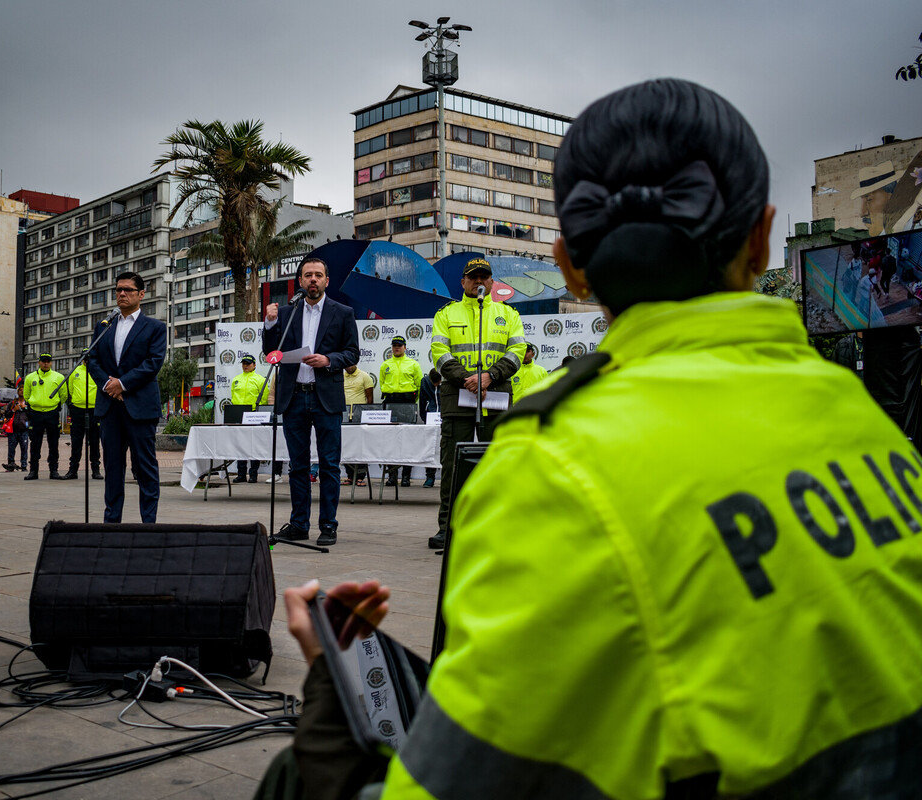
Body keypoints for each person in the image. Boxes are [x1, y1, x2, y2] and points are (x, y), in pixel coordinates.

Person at [272, 77, 922, 800]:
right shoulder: (871, 423)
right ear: (763, 235)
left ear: (572, 266)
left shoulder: (550, 467)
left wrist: (334, 712)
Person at [428, 258, 525, 549]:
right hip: (458, 397)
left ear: (492, 283)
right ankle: (448, 528)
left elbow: (517, 350)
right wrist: (468, 379)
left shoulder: (508, 314)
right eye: (473, 278)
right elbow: (439, 352)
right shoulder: (446, 313)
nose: (478, 282)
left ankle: (496, 526)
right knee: (453, 465)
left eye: (484, 277)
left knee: (496, 464)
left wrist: (490, 376)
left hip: (494, 396)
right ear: (463, 283)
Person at [262, 257, 359, 547]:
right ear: (300, 281)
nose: (313, 280)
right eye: (308, 275)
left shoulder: (342, 312)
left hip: (325, 397)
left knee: (329, 465)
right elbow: (271, 353)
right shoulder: (288, 313)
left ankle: (328, 525)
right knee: (298, 466)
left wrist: (328, 360)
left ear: (327, 281)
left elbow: (352, 353)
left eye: (318, 275)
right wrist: (269, 324)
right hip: (294, 397)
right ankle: (299, 524)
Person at [87, 272, 166, 523]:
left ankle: (149, 522)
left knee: (145, 467)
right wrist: (109, 386)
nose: (122, 294)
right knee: (113, 468)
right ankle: (111, 522)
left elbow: (153, 363)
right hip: (110, 407)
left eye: (128, 290)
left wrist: (123, 384)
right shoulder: (104, 326)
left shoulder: (155, 327)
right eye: (119, 289)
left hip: (140, 407)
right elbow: (92, 359)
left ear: (141, 294)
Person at [379, 336, 423, 487]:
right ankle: (392, 476)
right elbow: (382, 383)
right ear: (391, 348)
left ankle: (406, 476)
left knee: (408, 440)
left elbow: (418, 385)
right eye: (394, 345)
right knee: (390, 440)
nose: (397, 348)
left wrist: (411, 404)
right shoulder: (385, 364)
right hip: (390, 402)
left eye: (399, 345)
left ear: (405, 347)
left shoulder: (413, 364)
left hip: (407, 403)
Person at [21, 354, 67, 480]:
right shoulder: (30, 377)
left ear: (51, 363)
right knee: (35, 443)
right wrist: (32, 404)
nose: (46, 364)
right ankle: (33, 471)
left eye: (48, 362)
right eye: (43, 361)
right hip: (36, 413)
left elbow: (64, 395)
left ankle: (54, 470)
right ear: (39, 363)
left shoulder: (58, 377)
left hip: (51, 413)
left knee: (53, 443)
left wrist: (56, 405)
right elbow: (26, 394)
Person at [230, 354, 270, 483]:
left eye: (248, 363)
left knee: (254, 446)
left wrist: (259, 414)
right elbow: (233, 397)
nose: (245, 366)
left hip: (253, 415)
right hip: (239, 415)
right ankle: (241, 474)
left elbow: (264, 399)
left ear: (254, 365)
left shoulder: (260, 380)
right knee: (241, 446)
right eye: (243, 363)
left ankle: (253, 475)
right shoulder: (236, 379)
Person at [64, 348, 103, 481]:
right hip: (78, 410)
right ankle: (73, 470)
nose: (87, 360)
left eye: (89, 358)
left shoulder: (98, 370)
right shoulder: (75, 371)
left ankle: (96, 470)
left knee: (94, 441)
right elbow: (70, 389)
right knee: (76, 441)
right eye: (84, 358)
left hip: (94, 410)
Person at [342, 363, 375, 486]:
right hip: (344, 416)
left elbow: (369, 399)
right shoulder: (341, 377)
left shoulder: (365, 376)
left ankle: (360, 476)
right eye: (346, 365)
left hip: (359, 417)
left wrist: (366, 417)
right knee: (346, 447)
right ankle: (350, 476)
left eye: (350, 364)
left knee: (360, 447)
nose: (348, 366)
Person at [416, 369, 440, 488]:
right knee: (430, 449)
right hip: (430, 419)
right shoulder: (424, 381)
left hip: (446, 418)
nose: (436, 386)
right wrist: (425, 417)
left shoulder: (447, 381)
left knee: (446, 450)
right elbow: (422, 400)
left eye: (438, 383)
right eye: (433, 383)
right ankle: (430, 477)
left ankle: (449, 477)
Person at [0, 397, 29, 472]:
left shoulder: (28, 403)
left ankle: (24, 466)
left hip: (24, 430)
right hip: (13, 430)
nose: (21, 391)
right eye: (20, 389)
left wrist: (25, 408)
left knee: (24, 449)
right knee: (11, 449)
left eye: (23, 389)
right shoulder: (12, 403)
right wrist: (14, 410)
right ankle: (10, 465)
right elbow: (7, 415)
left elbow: (31, 415)